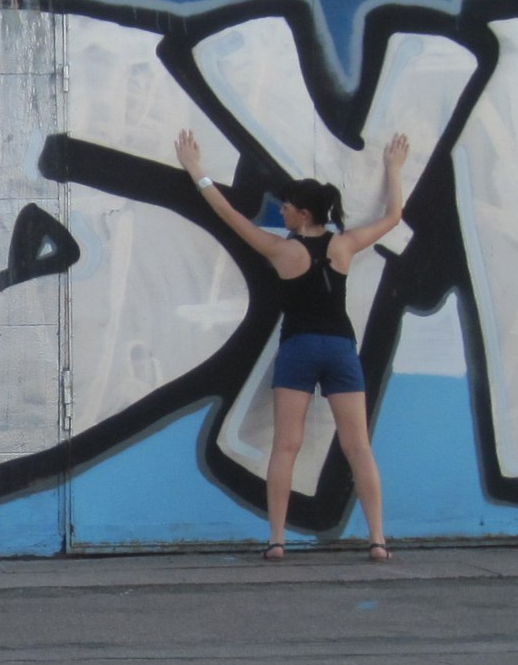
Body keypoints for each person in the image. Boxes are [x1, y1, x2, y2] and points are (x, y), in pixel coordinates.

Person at [175, 130, 412, 564]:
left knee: (286, 445)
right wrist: (394, 169)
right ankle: (378, 540)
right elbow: (394, 216)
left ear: (303, 214)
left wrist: (196, 170)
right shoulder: (343, 246)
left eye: (286, 206)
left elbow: (228, 215)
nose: (280, 210)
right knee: (358, 446)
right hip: (340, 349)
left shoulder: (280, 251)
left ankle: (277, 541)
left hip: (299, 348)